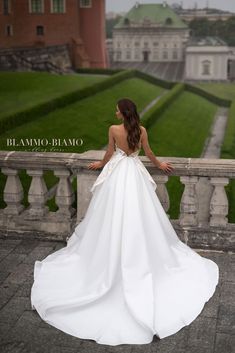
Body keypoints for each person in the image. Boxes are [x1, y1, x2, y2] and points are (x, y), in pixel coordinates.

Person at [31, 98, 219, 346]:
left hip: (119, 174)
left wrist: (100, 163)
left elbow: (109, 153)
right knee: (141, 215)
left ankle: (110, 254)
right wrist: (160, 164)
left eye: (117, 109)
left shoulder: (113, 129)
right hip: (134, 173)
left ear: (122, 112)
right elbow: (149, 153)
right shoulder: (140, 130)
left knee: (110, 214)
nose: (114, 111)